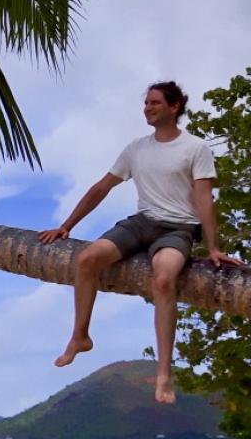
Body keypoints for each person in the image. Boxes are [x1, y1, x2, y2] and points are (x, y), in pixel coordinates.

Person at [38, 81, 244, 404]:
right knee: (86, 259)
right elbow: (101, 188)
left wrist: (213, 246)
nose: (147, 107)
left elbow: (204, 200)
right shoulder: (136, 148)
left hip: (178, 229)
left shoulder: (196, 148)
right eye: (146, 102)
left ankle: (163, 375)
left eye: (155, 102)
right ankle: (80, 336)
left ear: (174, 107)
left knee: (163, 280)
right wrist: (66, 225)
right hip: (141, 223)